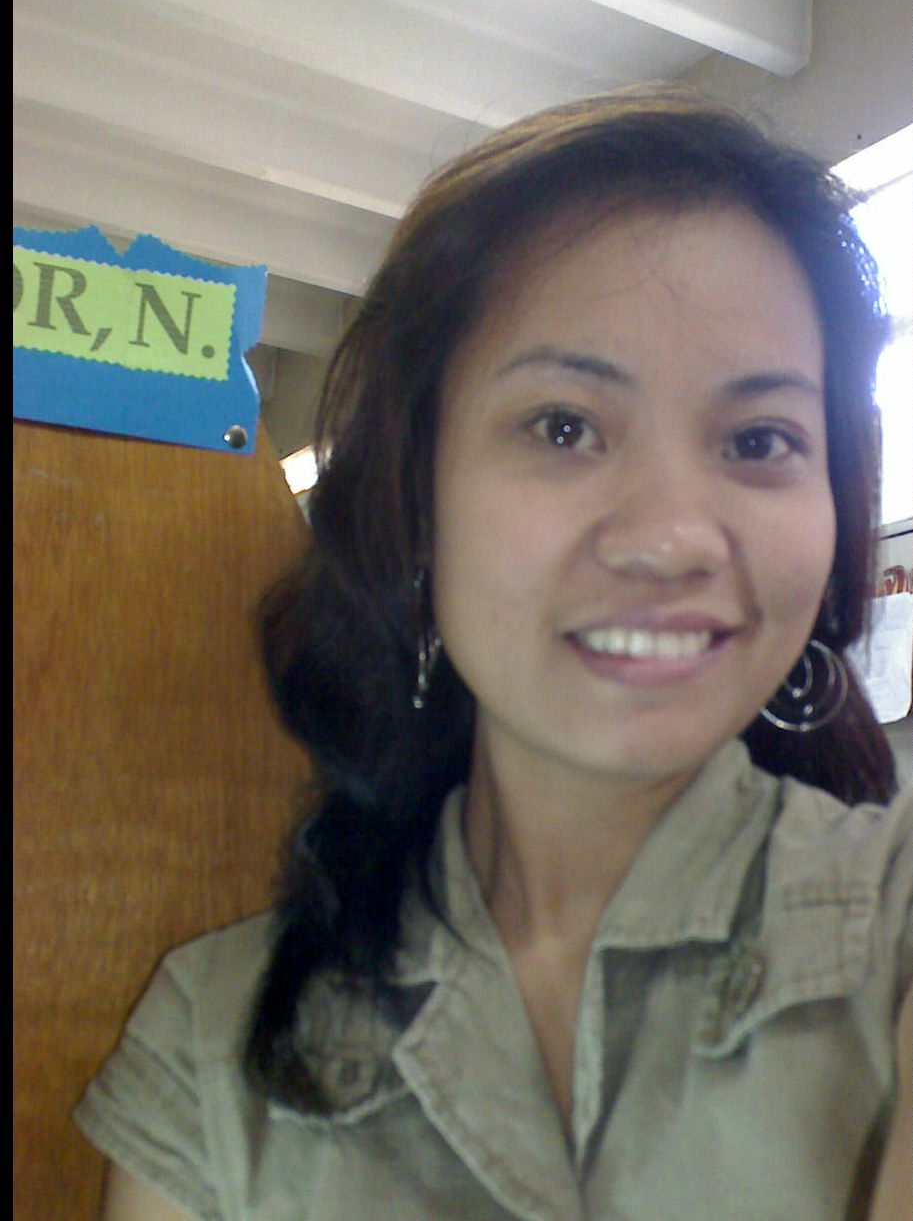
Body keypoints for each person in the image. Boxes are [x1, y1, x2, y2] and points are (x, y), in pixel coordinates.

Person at [76, 87, 911, 1221]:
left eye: (759, 439)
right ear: (414, 500)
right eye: (563, 427)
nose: (671, 536)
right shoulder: (218, 1045)